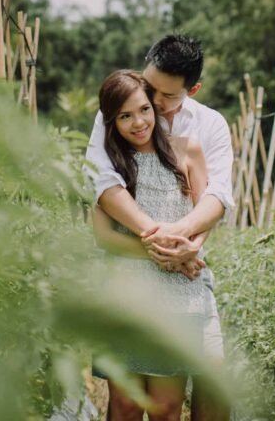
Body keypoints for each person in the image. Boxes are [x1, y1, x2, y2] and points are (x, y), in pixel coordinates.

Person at [85, 35, 233, 421]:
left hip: (183, 278)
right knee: (126, 403)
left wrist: (186, 246)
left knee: (202, 387)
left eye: (162, 98)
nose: (150, 106)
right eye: (148, 89)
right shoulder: (112, 122)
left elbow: (214, 199)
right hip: (133, 279)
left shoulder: (207, 129)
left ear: (192, 89)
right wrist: (160, 244)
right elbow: (103, 186)